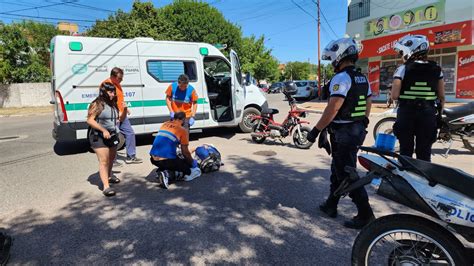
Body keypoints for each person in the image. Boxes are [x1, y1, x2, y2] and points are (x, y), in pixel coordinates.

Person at [307, 37, 375, 229]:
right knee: (338, 170)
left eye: (333, 59)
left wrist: (315, 131)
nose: (332, 63)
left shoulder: (342, 78)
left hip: (345, 132)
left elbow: (333, 108)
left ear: (340, 56)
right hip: (355, 130)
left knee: (347, 174)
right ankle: (331, 204)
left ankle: (365, 214)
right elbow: (368, 104)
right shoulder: (362, 78)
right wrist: (363, 123)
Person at [391, 35, 445, 162]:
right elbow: (441, 96)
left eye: (401, 52)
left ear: (410, 51)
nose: (401, 56)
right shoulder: (437, 70)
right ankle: (423, 179)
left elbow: (394, 95)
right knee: (424, 152)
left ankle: (405, 177)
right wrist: (438, 114)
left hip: (407, 113)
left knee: (405, 151)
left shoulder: (402, 69)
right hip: (428, 114)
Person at [102, 67, 143, 164]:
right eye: (119, 78)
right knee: (113, 137)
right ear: (112, 76)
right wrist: (116, 113)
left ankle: (131, 156)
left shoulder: (118, 84)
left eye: (122, 78)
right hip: (113, 116)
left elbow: (119, 99)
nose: (121, 80)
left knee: (130, 133)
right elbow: (106, 102)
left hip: (122, 115)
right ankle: (112, 160)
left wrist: (125, 108)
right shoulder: (106, 85)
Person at [87, 82, 121, 196]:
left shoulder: (113, 104)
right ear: (103, 92)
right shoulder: (97, 104)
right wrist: (103, 130)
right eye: (110, 92)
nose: (113, 94)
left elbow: (118, 119)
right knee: (104, 161)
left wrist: (125, 110)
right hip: (99, 136)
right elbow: (90, 120)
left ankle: (109, 176)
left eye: (114, 92)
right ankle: (106, 187)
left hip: (112, 135)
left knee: (111, 159)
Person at [150, 112, 201, 186]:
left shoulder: (164, 124)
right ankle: (167, 175)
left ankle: (162, 170)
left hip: (153, 159)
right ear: (183, 119)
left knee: (174, 160)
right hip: (166, 160)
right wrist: (192, 163)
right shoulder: (182, 130)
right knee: (189, 170)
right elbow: (185, 153)